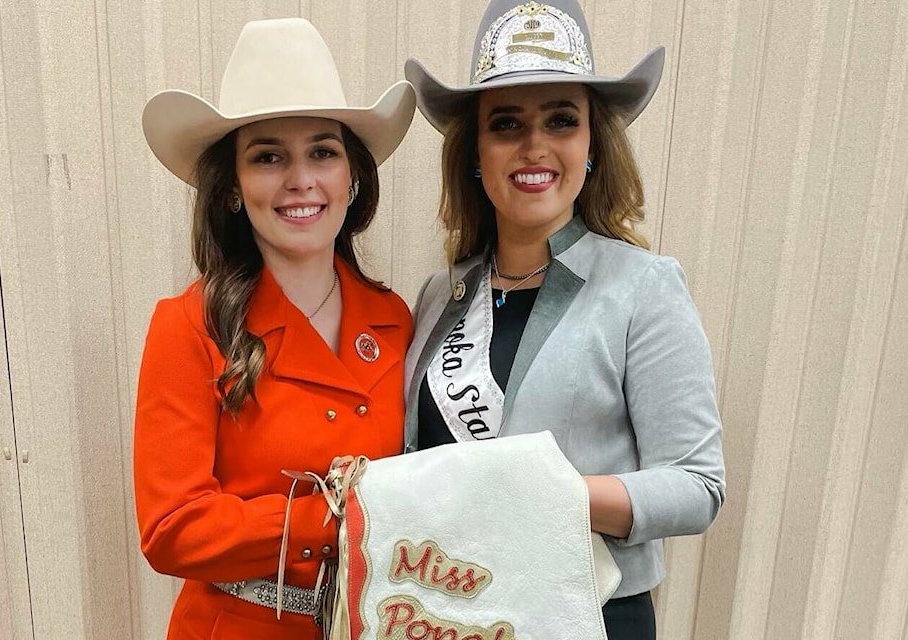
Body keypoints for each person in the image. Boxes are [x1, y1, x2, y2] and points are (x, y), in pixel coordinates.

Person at [402, 1, 725, 637]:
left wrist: (548, 496)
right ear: (476, 151)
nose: (534, 146)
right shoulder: (440, 294)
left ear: (591, 144)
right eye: (506, 123)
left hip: (588, 616)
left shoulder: (643, 288)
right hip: (455, 610)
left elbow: (697, 486)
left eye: (560, 119)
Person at [133, 18, 415, 640]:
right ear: (232, 186)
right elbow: (171, 529)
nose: (300, 179)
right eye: (267, 156)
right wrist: (339, 522)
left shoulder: (395, 318)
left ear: (352, 176)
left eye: (322, 151)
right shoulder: (188, 325)